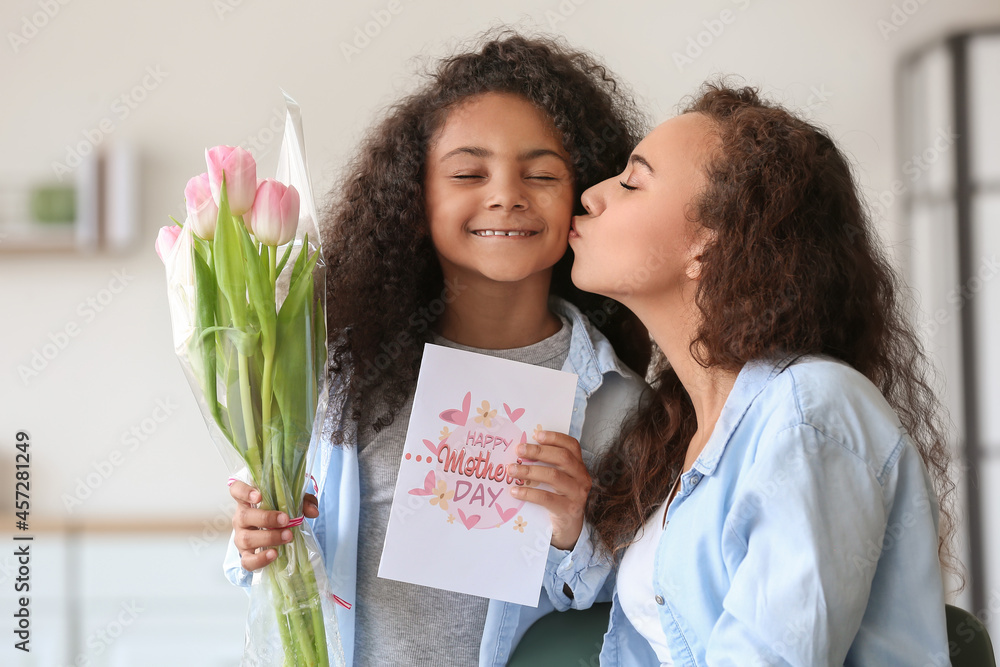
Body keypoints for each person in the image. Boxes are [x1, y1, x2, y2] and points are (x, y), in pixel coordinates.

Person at [223, 31, 652, 667]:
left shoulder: (618, 401)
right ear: (415, 198)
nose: (506, 194)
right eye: (467, 173)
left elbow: (639, 606)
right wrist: (254, 535)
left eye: (541, 173)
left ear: (585, 197)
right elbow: (271, 536)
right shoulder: (338, 373)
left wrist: (570, 531)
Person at [553, 83, 956, 665]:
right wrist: (572, 529)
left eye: (632, 182)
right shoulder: (685, 431)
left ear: (708, 243)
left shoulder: (809, 408)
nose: (590, 196)